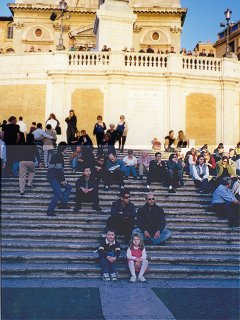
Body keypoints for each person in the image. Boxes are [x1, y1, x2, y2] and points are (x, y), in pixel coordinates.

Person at [46, 142, 73, 216]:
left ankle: (63, 204)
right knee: (58, 193)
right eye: (66, 149)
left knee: (69, 187)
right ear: (64, 149)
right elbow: (59, 169)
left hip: (56, 177)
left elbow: (59, 169)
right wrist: (63, 180)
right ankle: (50, 211)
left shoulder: (59, 155)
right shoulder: (58, 156)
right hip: (53, 177)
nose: (67, 150)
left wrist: (62, 179)